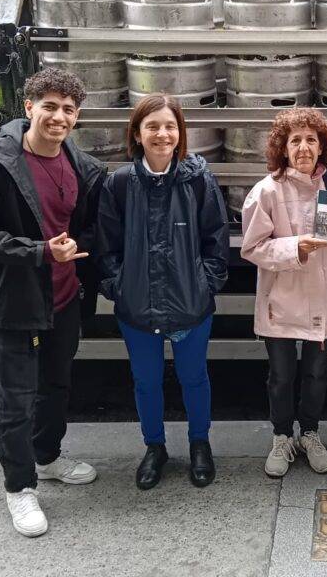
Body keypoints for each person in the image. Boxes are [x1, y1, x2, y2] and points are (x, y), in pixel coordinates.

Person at [0, 68, 107, 538]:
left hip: (62, 300)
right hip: (10, 304)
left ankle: (46, 459)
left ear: (76, 116)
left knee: (56, 387)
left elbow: (84, 228)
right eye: (49, 106)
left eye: (67, 109)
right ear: (29, 109)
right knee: (14, 402)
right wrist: (41, 252)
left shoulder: (81, 166)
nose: (58, 117)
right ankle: (19, 488)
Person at [97, 94, 229, 492]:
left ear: (180, 133)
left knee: (194, 377)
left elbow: (216, 239)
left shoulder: (197, 179)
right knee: (146, 381)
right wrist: (119, 287)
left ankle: (199, 444)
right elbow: (106, 246)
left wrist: (205, 282)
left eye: (169, 126)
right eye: (152, 126)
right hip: (137, 305)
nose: (162, 134)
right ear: (137, 133)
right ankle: (154, 447)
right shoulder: (119, 183)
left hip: (191, 303)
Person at [241, 108, 327, 478]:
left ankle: (310, 433)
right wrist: (297, 247)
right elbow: (252, 248)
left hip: (325, 301)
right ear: (282, 147)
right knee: (281, 376)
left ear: (322, 146)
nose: (303, 147)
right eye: (295, 140)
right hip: (282, 301)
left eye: (311, 139)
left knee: (316, 373)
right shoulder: (266, 191)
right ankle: (282, 436)